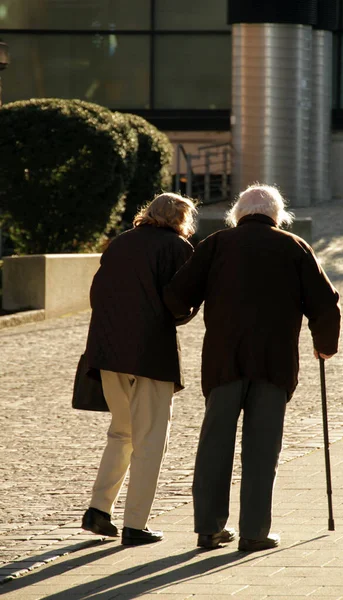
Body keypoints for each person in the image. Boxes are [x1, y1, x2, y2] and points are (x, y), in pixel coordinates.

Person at [163, 184, 341, 552]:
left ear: (238, 214)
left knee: (215, 443)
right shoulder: (294, 247)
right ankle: (254, 532)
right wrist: (323, 345)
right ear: (278, 217)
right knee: (262, 448)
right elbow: (326, 304)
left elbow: (178, 295)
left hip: (223, 360)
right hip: (273, 364)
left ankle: (209, 529)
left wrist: (185, 313)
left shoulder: (217, 244)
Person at [81, 192, 197, 546]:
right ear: (181, 220)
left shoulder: (119, 243)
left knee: (122, 432)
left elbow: (97, 292)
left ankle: (99, 509)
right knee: (150, 439)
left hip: (107, 352)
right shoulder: (178, 248)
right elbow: (181, 301)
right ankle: (135, 523)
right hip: (151, 354)